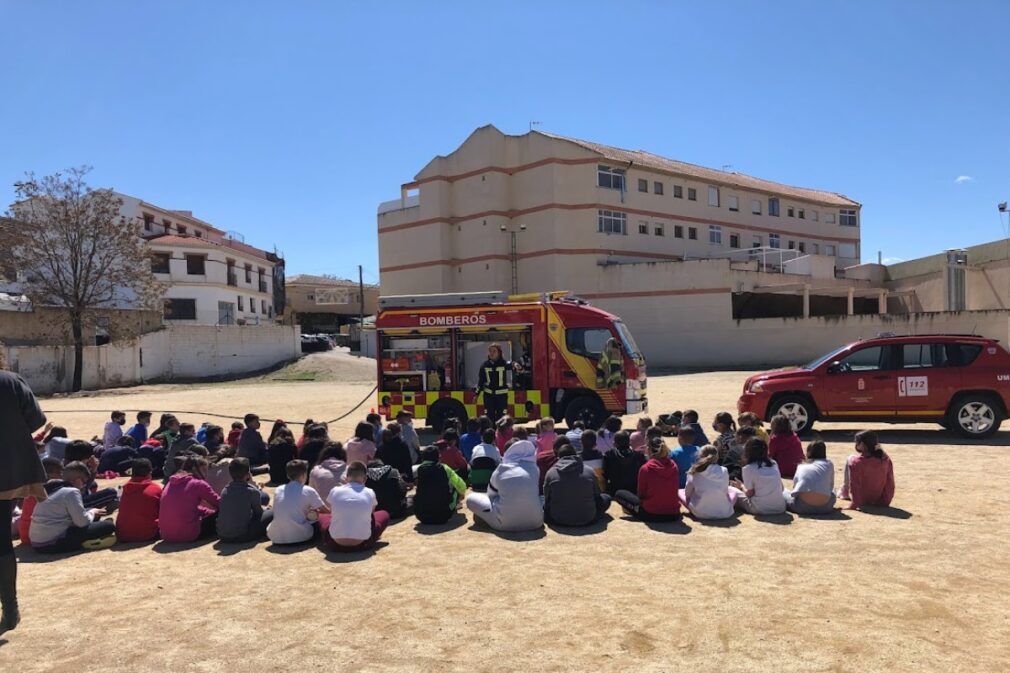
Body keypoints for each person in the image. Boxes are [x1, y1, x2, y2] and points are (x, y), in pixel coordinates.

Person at [30, 461, 116, 554]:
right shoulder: (71, 491)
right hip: (53, 544)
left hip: (37, 544)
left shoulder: (53, 489)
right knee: (108, 526)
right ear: (77, 480)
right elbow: (82, 523)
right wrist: (93, 512)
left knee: (89, 512)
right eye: (84, 483)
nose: (83, 487)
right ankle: (86, 543)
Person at [465, 440, 543, 532]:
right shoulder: (535, 469)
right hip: (535, 522)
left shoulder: (501, 469)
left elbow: (491, 496)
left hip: (504, 524)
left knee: (470, 499)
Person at [324, 461, 390, 552]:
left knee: (323, 517)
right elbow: (371, 514)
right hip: (363, 543)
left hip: (334, 543)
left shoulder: (335, 490)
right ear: (365, 478)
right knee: (384, 514)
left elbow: (331, 511)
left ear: (346, 478)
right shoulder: (370, 492)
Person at [614, 438, 681, 521]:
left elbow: (641, 494)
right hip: (673, 514)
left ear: (649, 450)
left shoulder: (646, 468)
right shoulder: (674, 466)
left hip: (651, 514)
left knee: (619, 494)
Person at [543, 444, 611, 526]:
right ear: (576, 455)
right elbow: (597, 494)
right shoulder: (589, 471)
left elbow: (547, 496)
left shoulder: (551, 473)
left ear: (558, 458)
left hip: (558, 519)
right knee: (606, 498)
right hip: (588, 517)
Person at [159, 456, 221, 542]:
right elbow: (219, 503)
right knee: (221, 515)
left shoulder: (171, 482)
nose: (206, 474)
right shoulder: (198, 484)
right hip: (188, 534)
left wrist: (206, 511)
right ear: (195, 469)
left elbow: (184, 507)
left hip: (166, 534)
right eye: (204, 470)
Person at [267, 460, 328, 545]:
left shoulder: (278, 489)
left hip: (276, 537)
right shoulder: (308, 490)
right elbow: (325, 511)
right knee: (318, 518)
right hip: (301, 536)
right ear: (304, 475)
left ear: (288, 475)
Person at [217, 458, 273, 543]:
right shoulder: (251, 491)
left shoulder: (225, 490)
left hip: (222, 535)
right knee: (272, 512)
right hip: (241, 535)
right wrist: (266, 509)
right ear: (248, 474)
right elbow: (258, 513)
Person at [730, 438, 787, 515]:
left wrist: (741, 486)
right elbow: (782, 488)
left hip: (759, 508)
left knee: (732, 490)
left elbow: (749, 494)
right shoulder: (773, 463)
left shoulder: (748, 468)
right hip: (780, 508)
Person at [840, 430, 895, 510]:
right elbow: (890, 483)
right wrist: (885, 501)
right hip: (878, 499)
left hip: (861, 499)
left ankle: (844, 492)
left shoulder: (855, 462)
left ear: (862, 444)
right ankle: (844, 491)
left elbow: (854, 484)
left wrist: (854, 504)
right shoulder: (886, 460)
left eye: (856, 442)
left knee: (850, 457)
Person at [414, 446, 467, 525]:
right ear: (438, 457)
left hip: (422, 516)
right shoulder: (444, 468)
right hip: (443, 516)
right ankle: (456, 505)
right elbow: (462, 486)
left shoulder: (419, 469)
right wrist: (461, 493)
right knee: (456, 487)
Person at [115, 458, 163, 543]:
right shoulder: (155, 488)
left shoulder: (123, 489)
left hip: (123, 534)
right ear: (150, 472)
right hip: (149, 534)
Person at [681, 446, 735, 520]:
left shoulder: (694, 470)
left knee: (680, 492)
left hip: (700, 513)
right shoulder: (724, 470)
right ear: (716, 457)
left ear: (700, 456)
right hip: (724, 513)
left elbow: (687, 493)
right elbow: (725, 491)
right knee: (733, 491)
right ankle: (725, 506)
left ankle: (692, 510)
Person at [19, 457, 64, 546]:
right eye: (60, 472)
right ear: (49, 475)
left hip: (25, 535)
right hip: (35, 537)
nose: (62, 475)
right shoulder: (47, 490)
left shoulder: (33, 488)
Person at [785, 440, 836, 515]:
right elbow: (830, 486)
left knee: (785, 493)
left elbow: (795, 488)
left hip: (802, 507)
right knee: (833, 492)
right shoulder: (829, 464)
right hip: (825, 508)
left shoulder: (801, 466)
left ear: (808, 453)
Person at [477, 343, 513, 425]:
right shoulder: (484, 365)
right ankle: (490, 435)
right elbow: (481, 381)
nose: (491, 353)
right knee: (489, 418)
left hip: (501, 397)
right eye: (490, 351)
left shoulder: (503, 363)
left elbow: (511, 364)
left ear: (499, 353)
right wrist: (477, 394)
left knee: (501, 418)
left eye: (494, 351)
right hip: (488, 396)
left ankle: (500, 435)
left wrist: (516, 365)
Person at [603, 431, 647, 496]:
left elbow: (606, 473)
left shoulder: (609, 455)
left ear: (614, 443)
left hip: (615, 490)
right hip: (633, 489)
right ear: (629, 442)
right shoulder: (639, 456)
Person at [768, 414, 805, 479]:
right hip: (798, 468)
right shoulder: (794, 436)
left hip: (782, 469)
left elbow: (770, 455)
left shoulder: (775, 440)